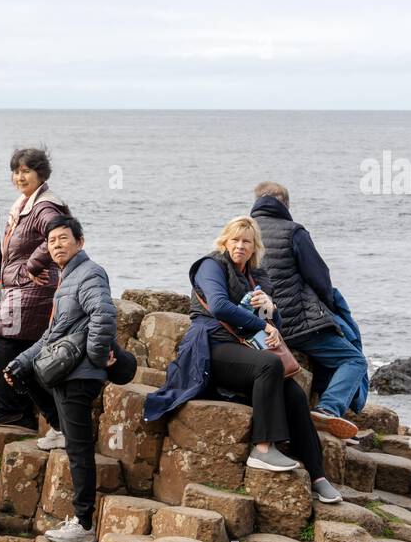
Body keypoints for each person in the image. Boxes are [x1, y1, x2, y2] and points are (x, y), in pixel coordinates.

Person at [145, 215, 344, 504]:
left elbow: (274, 324)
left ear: (254, 248)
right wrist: (264, 326)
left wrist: (271, 311)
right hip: (207, 348)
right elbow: (220, 306)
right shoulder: (210, 265)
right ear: (225, 241)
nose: (240, 245)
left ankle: (317, 476)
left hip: (241, 348)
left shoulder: (257, 277)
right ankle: (262, 449)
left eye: (246, 241)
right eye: (235, 239)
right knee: (270, 365)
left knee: (295, 394)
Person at [3, 216, 117, 542]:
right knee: (21, 374)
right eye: (51, 241)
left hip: (78, 375)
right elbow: (54, 334)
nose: (56, 245)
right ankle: (59, 427)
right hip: (63, 369)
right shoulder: (67, 278)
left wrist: (95, 357)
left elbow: (104, 313)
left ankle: (83, 525)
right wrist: (20, 362)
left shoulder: (89, 272)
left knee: (79, 452)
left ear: (80, 241)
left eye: (63, 238)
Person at [249, 182, 368, 440]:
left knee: (328, 358)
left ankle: (328, 415)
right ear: (285, 204)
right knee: (353, 359)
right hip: (297, 324)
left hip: (260, 325)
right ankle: (328, 408)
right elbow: (320, 277)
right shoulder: (294, 232)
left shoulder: (243, 231)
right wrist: (330, 307)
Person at [0, 147, 70, 428]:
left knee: (1, 337)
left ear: (40, 173)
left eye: (26, 171)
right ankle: (33, 412)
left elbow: (57, 233)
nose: (19, 176)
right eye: (16, 171)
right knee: (25, 347)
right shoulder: (26, 202)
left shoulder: (44, 206)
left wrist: (32, 266)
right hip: (22, 287)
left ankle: (10, 408)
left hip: (35, 288)